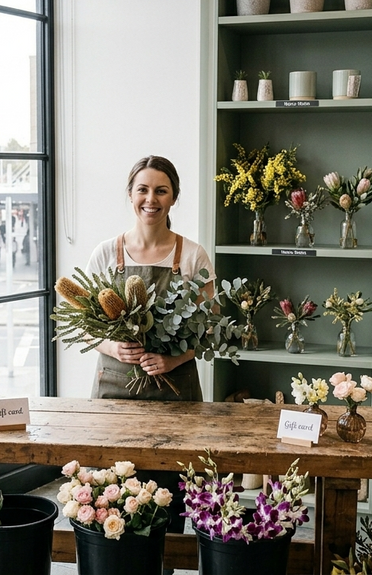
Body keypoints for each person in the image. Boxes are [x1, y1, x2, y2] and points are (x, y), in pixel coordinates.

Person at [84, 155, 215, 543]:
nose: (150, 199)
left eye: (161, 190)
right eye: (143, 189)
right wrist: (112, 345)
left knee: (168, 498)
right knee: (111, 497)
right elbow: (81, 326)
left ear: (173, 198)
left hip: (175, 397)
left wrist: (172, 358)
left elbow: (210, 331)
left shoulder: (192, 256)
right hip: (114, 392)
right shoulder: (106, 253)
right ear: (130, 194)